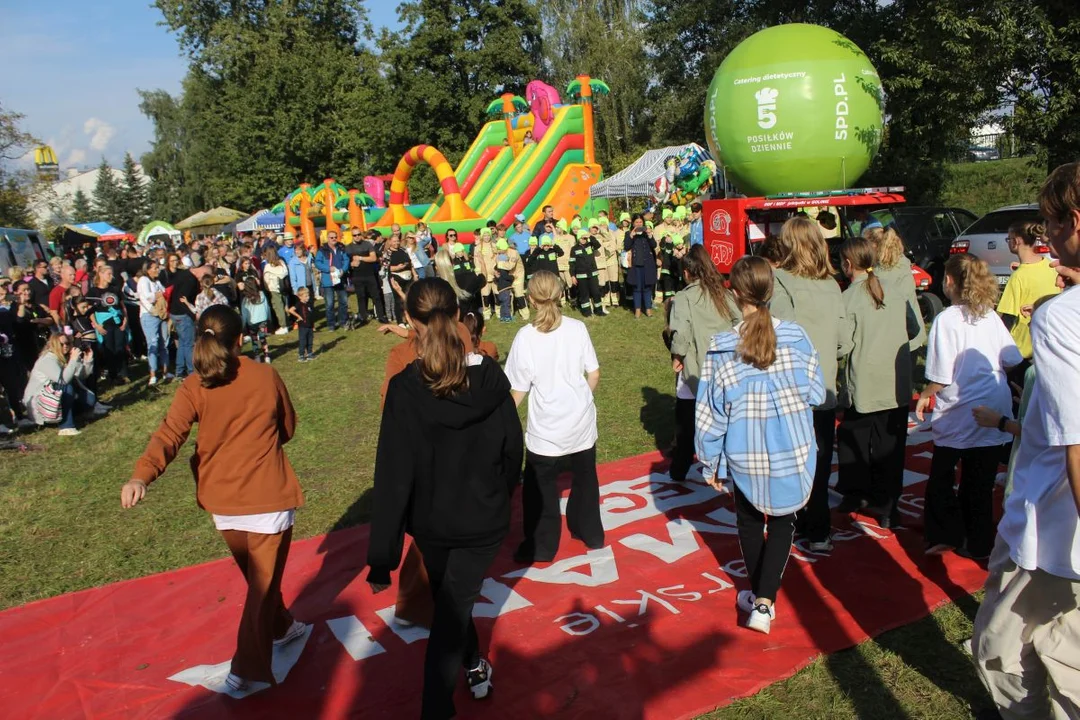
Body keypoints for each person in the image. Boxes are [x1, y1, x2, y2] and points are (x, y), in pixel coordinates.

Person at [121, 305, 305, 694]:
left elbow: (169, 433)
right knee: (261, 586)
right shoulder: (265, 375)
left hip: (223, 501)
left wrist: (142, 474)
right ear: (240, 339)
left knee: (261, 582)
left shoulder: (194, 385)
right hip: (266, 498)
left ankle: (283, 627)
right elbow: (287, 426)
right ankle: (247, 667)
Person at [367, 278, 523, 720]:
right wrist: (383, 557)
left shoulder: (482, 376)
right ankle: (472, 665)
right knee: (452, 606)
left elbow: (393, 474)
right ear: (457, 315)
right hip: (462, 518)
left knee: (452, 609)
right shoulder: (476, 377)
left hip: (448, 521)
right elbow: (514, 449)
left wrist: (382, 557)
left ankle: (436, 706)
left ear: (410, 322)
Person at [972, 161, 1080, 720]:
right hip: (1045, 526)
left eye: (1050, 224)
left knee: (1006, 653)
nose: (1046, 238)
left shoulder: (1060, 320)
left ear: (1075, 222)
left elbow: (1077, 440)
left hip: (1051, 533)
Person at [695, 256, 825, 634]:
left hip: (743, 451)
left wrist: (711, 462)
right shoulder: (797, 337)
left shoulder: (721, 347)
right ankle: (764, 603)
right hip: (792, 447)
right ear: (771, 289)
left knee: (749, 522)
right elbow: (816, 392)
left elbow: (710, 414)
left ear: (735, 293)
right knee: (784, 521)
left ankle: (759, 598)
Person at [916, 253, 1022, 559]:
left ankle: (943, 534)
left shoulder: (946, 319)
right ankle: (978, 541)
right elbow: (1012, 358)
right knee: (980, 478)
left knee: (943, 474)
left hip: (961, 409)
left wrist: (925, 393)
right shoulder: (989, 314)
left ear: (948, 281)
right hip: (994, 402)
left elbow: (940, 375)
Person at [762, 218, 852, 546]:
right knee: (821, 460)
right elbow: (844, 340)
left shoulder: (782, 282)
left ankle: (798, 526)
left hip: (790, 390)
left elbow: (775, 338)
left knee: (789, 463)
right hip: (823, 386)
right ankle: (818, 529)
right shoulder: (832, 284)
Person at [505, 270, 603, 564]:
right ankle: (591, 532)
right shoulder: (577, 327)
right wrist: (579, 398)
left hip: (546, 428)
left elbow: (518, 390)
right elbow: (594, 373)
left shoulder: (526, 337)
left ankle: (542, 545)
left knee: (540, 488)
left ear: (531, 299)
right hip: (581, 421)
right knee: (586, 478)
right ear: (560, 294)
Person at [835, 236, 922, 530]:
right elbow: (913, 329)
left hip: (864, 382)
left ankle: (855, 494)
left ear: (847, 265)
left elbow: (842, 344)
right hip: (895, 382)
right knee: (890, 447)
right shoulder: (896, 292)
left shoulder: (847, 299)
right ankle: (888, 506)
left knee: (854, 442)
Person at [667, 245, 741, 482]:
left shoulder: (684, 297)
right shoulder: (724, 293)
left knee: (686, 421)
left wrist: (677, 356)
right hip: (726, 364)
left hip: (696, 367)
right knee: (725, 417)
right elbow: (740, 321)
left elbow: (681, 333)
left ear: (687, 272)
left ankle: (681, 465)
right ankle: (727, 463)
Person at [996, 220, 1060, 368]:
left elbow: (1007, 318)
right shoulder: (1050, 266)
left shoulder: (1018, 277)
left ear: (1016, 241)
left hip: (1022, 351)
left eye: (1009, 239)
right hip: (1046, 346)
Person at [23, 333, 105, 436]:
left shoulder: (67, 356)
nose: (65, 346)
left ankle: (70, 416)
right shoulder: (47, 359)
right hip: (40, 406)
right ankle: (66, 427)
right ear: (53, 345)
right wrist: (73, 360)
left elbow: (82, 375)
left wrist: (88, 360)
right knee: (66, 387)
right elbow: (63, 381)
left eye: (68, 343)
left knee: (90, 399)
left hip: (53, 401)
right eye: (61, 344)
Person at [85, 265, 129, 384]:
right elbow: (90, 311)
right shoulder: (93, 291)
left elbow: (122, 306)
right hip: (105, 324)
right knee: (109, 349)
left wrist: (125, 320)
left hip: (118, 322)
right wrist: (97, 325)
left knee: (120, 347)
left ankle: (123, 373)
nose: (111, 276)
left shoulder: (115, 289)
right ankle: (113, 375)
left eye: (111, 273)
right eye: (108, 274)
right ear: (101, 274)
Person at [136, 260, 171, 386]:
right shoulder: (143, 280)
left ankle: (166, 371)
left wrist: (159, 294)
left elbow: (164, 293)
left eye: (158, 268)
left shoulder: (157, 282)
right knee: (153, 344)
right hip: (149, 315)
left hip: (161, 314)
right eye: (155, 268)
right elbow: (147, 297)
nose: (158, 270)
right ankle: (153, 374)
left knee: (164, 343)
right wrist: (156, 297)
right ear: (148, 269)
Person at [168, 255, 201, 380]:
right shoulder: (190, 279)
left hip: (174, 312)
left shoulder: (180, 275)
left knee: (182, 342)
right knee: (188, 344)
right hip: (183, 314)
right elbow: (183, 299)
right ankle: (192, 372)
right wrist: (193, 314)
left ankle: (179, 370)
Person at [432, 244, 485, 319]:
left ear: (436, 267)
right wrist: (482, 262)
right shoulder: (463, 278)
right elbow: (482, 278)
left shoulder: (434, 286)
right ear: (452, 263)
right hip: (466, 324)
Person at [624, 214, 658, 318]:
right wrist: (631, 236)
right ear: (633, 223)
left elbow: (654, 245)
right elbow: (626, 246)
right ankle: (637, 310)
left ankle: (648, 309)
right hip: (636, 265)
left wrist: (650, 235)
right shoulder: (629, 233)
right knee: (637, 288)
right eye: (636, 222)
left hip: (647, 265)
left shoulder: (646, 233)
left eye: (640, 222)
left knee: (647, 287)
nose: (639, 224)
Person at [315, 231, 349, 331]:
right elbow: (317, 262)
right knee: (329, 304)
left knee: (343, 301)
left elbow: (346, 260)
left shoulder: (341, 248)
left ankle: (343, 321)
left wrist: (344, 269)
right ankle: (331, 324)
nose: (334, 239)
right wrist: (328, 268)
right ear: (327, 238)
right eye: (331, 237)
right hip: (328, 280)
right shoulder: (322, 250)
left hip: (340, 278)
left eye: (335, 237)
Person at [569, 228, 607, 317]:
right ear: (578, 238)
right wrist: (572, 276)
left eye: (585, 238)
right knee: (584, 294)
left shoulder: (590, 245)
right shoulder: (574, 249)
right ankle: (587, 312)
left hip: (592, 274)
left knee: (596, 293)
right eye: (582, 238)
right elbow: (572, 263)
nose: (584, 240)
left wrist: (590, 236)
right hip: (581, 276)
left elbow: (598, 245)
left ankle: (599, 311)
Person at [261, 247, 290, 334]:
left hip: (273, 289)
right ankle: (287, 323)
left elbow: (266, 280)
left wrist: (268, 287)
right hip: (283, 288)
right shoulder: (281, 263)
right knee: (285, 305)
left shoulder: (268, 266)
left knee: (278, 307)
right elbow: (284, 273)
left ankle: (283, 326)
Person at [242, 284, 272, 364]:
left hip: (252, 323)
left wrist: (243, 325)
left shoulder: (246, 300)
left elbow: (244, 314)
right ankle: (267, 356)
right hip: (263, 320)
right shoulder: (262, 294)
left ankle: (257, 356)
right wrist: (268, 318)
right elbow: (267, 307)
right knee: (263, 339)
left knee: (254, 340)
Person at [287, 243, 315, 316]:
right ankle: (304, 323)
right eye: (295, 250)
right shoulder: (293, 262)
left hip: (310, 286)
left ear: (303, 250)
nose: (297, 251)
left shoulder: (309, 258)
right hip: (301, 288)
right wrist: (295, 290)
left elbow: (312, 272)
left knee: (311, 305)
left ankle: (310, 322)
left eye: (299, 250)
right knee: (303, 308)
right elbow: (293, 278)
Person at [288, 287, 315, 362]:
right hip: (303, 326)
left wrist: (313, 325)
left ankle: (309, 354)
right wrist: (299, 316)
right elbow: (290, 310)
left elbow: (311, 315)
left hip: (309, 326)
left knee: (310, 340)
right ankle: (301, 355)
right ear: (300, 297)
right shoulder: (299, 304)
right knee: (303, 341)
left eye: (308, 295)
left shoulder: (309, 304)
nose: (308, 297)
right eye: (306, 296)